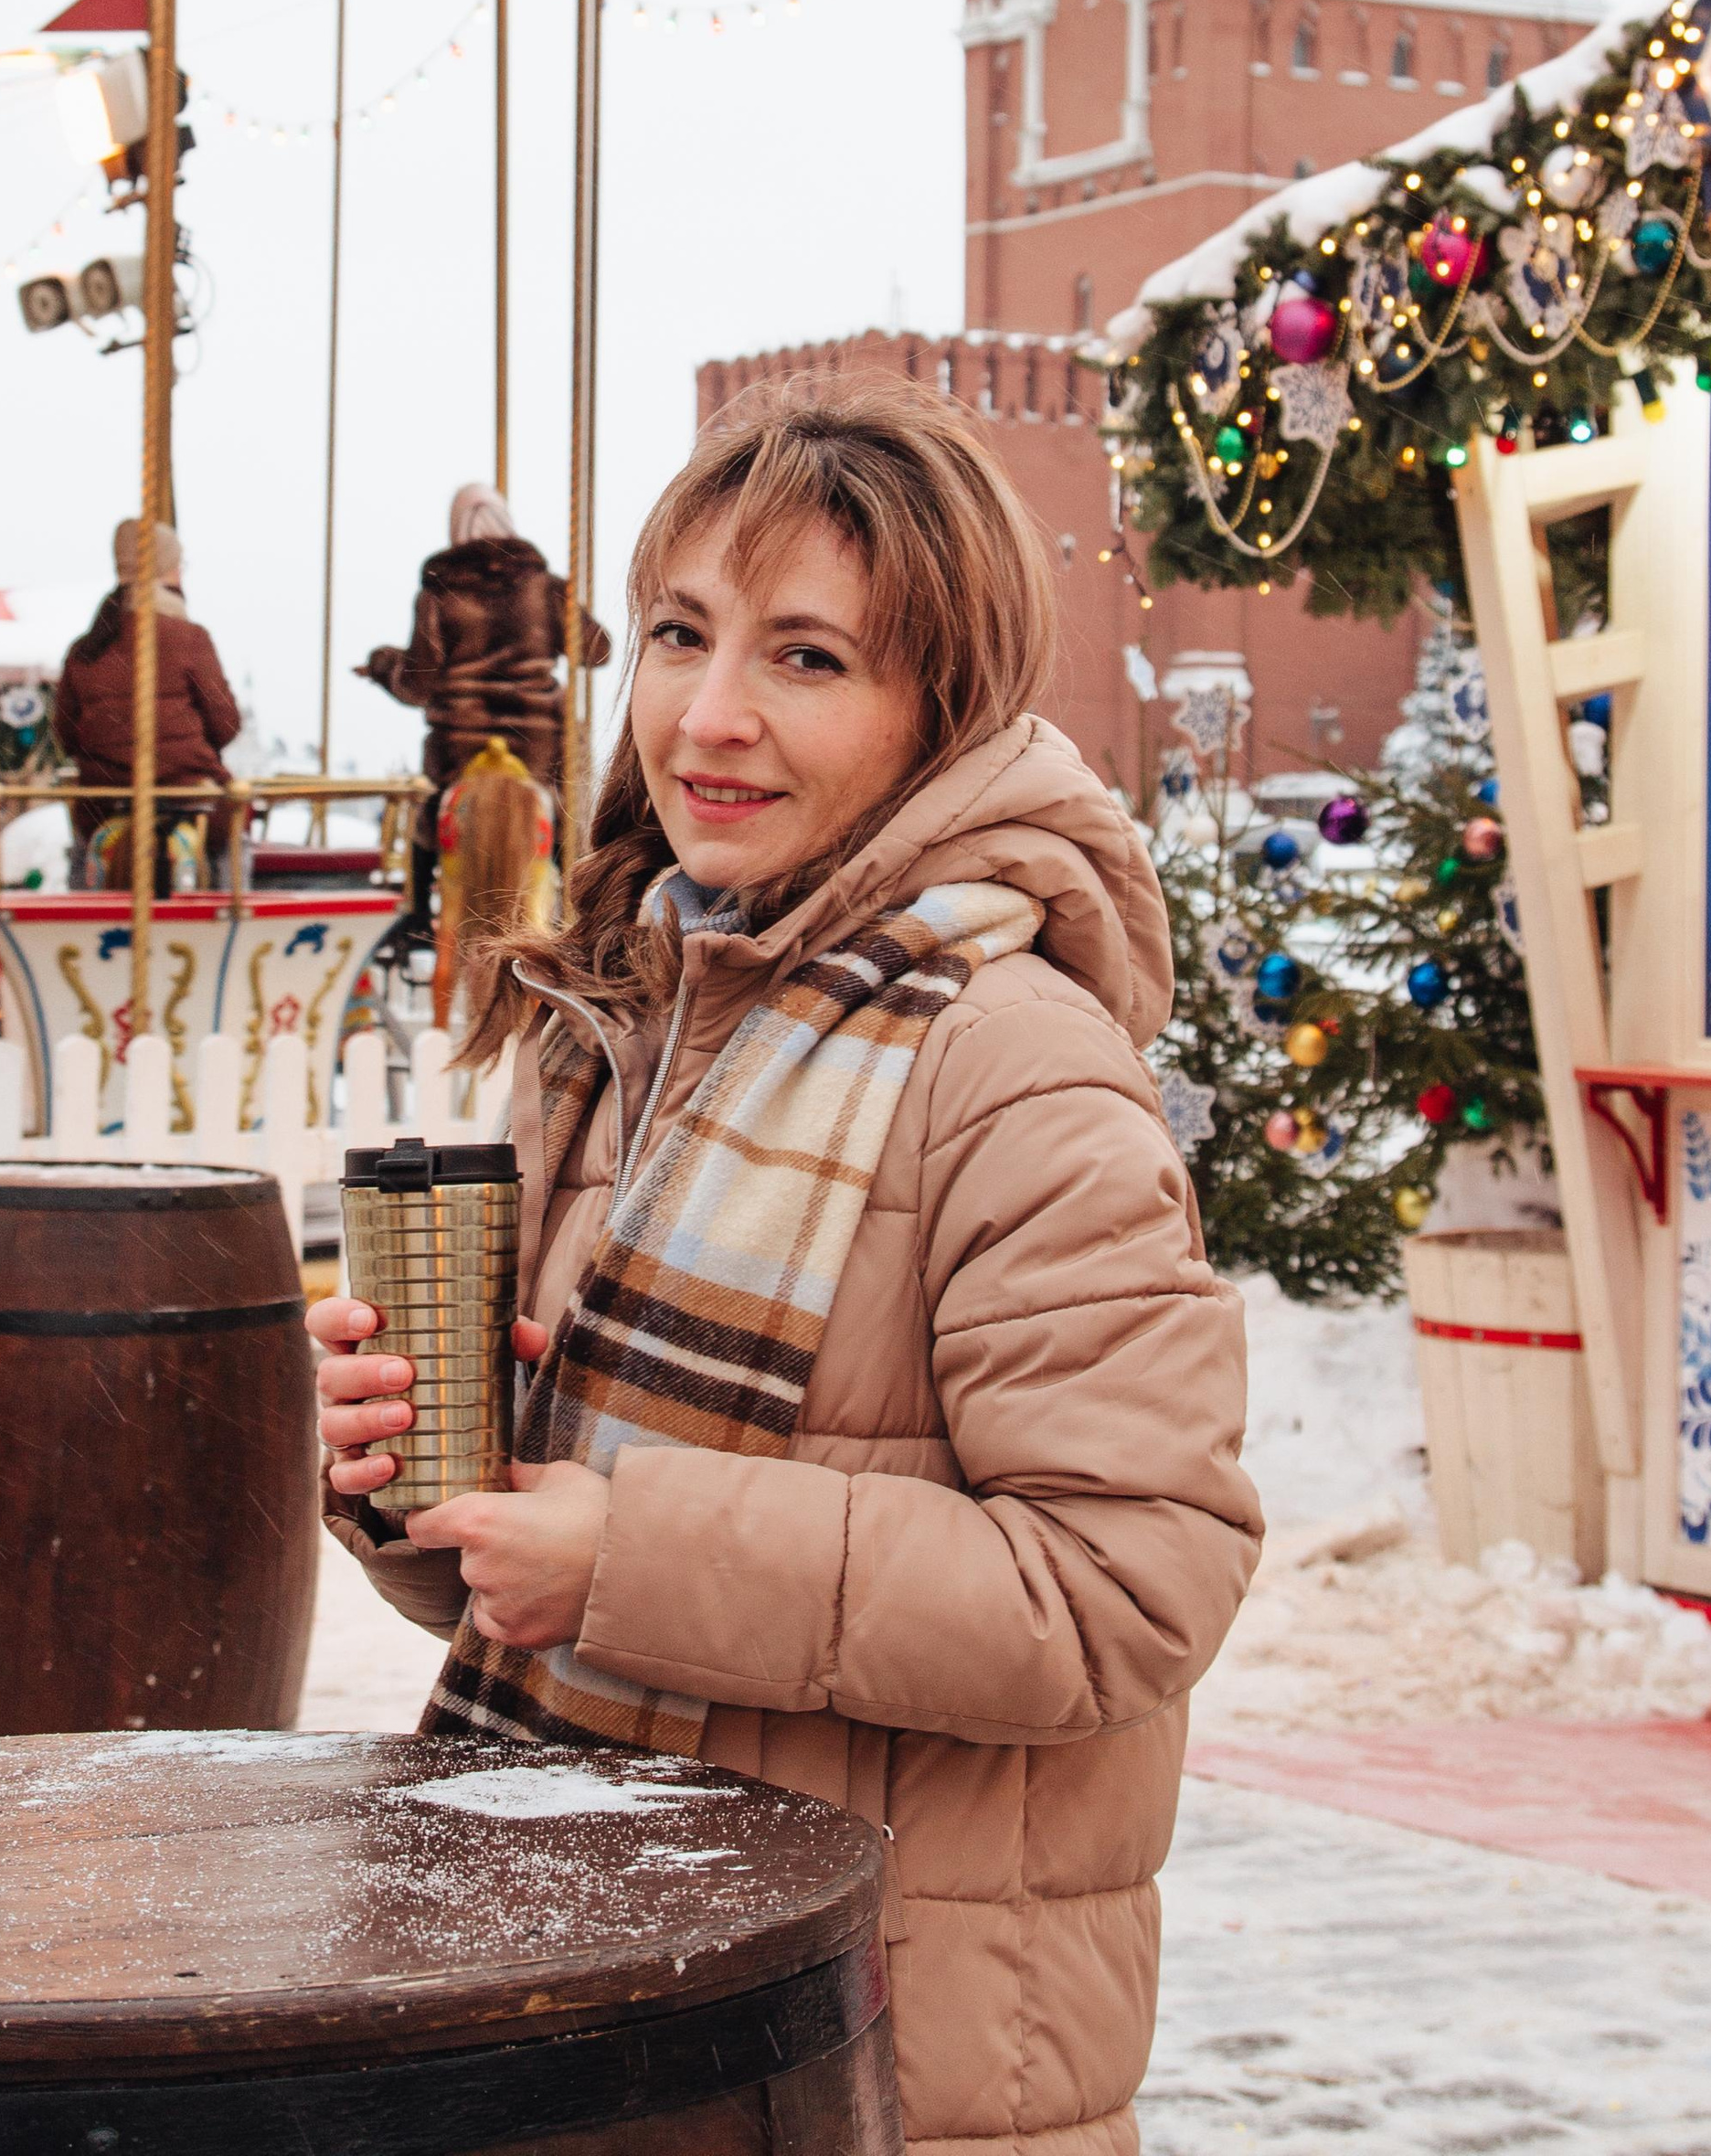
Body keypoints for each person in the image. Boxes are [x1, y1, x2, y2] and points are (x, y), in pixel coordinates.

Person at [315, 384, 1259, 2156]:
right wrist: (409, 1475)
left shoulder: (1012, 1065)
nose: (709, 717)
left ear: (937, 713)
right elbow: (536, 1574)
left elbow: (1131, 1588)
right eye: (677, 635)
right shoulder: (618, 1024)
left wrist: (633, 1553)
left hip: (893, 2072)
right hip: (622, 2015)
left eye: (808, 659)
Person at [362, 485, 609, 925]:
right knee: (570, 841)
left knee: (426, 827)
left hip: (462, 758)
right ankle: (586, 918)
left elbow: (419, 684)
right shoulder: (546, 590)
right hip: (536, 758)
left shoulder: (439, 593)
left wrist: (382, 665)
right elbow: (599, 651)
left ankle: (417, 917)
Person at [51, 520, 241, 884]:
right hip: (184, 795)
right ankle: (230, 903)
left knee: (84, 841)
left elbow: (66, 733)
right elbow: (226, 722)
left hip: (106, 798)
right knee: (230, 837)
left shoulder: (86, 647)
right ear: (166, 570)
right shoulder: (189, 637)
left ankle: (79, 896)